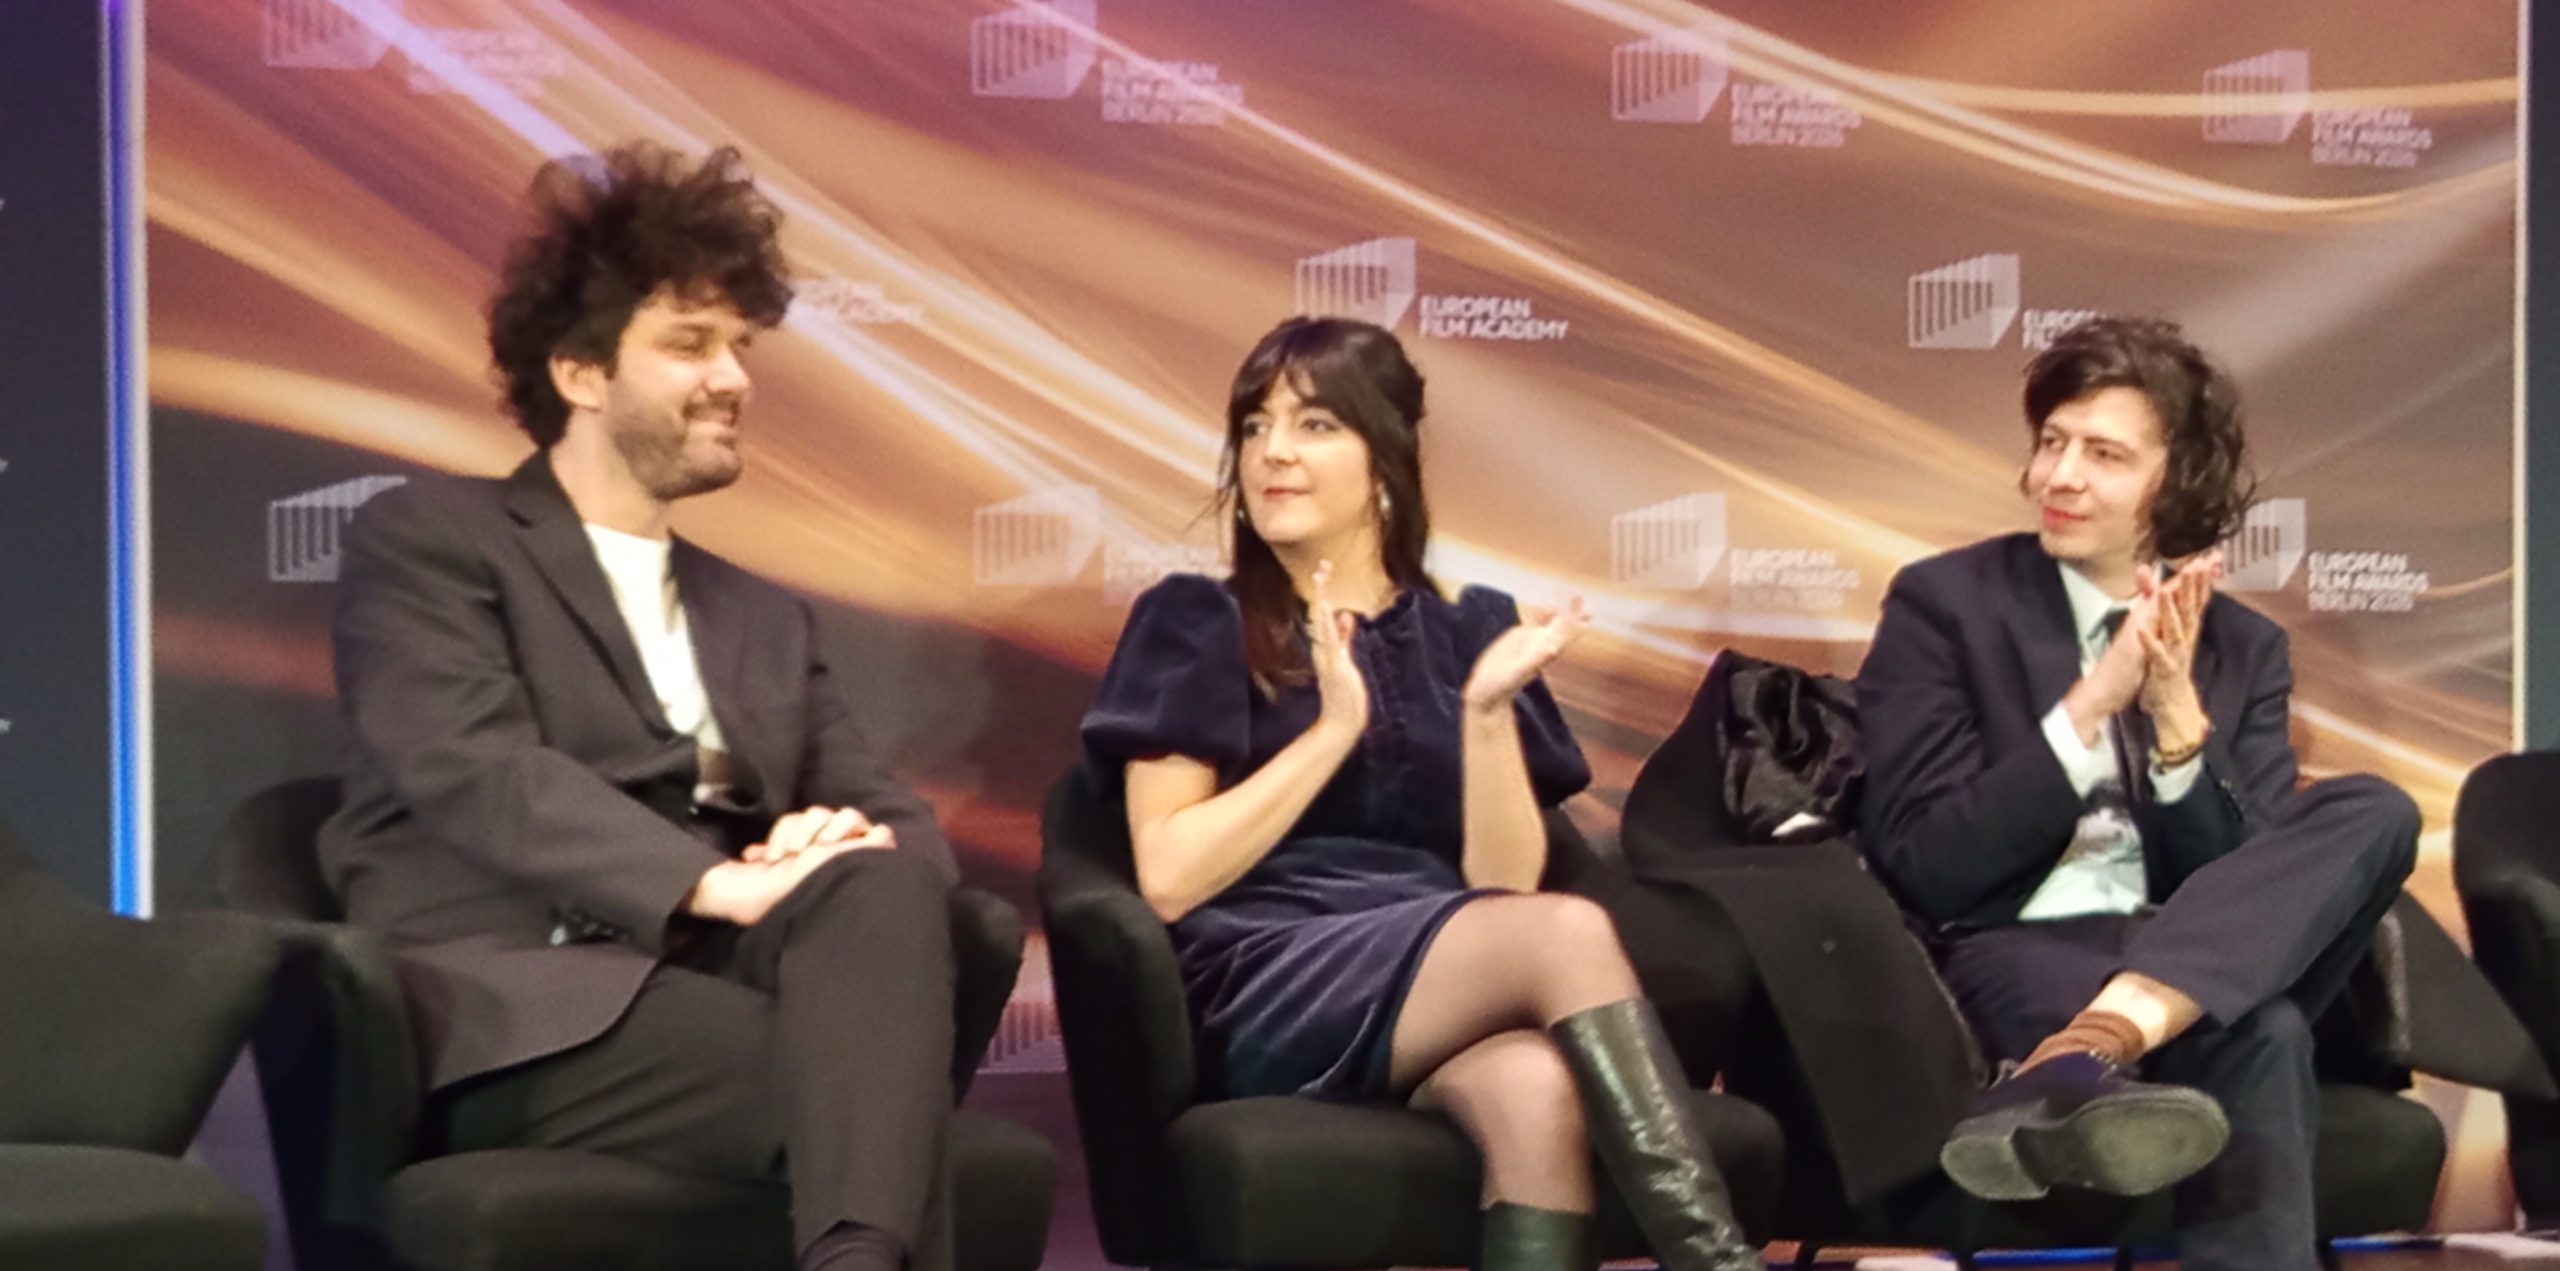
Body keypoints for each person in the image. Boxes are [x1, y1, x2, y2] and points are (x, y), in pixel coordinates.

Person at [319, 142, 969, 1271]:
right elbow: (477, 766)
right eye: (690, 343)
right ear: (581, 370)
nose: (734, 376)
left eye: (740, 345)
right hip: (525, 1006)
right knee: (883, 1102)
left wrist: (842, 840)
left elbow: (904, 825)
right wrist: (718, 881)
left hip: (720, 985)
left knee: (883, 893)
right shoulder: (430, 541)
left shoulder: (763, 617)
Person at [1080, 315, 1759, 1271]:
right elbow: (1170, 874)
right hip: (1271, 974)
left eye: (1315, 425)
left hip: (1442, 972)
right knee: (1567, 932)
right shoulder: (1197, 619)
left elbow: (1502, 888)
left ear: (1386, 462)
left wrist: (1486, 713)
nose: (1274, 451)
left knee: (1537, 1089)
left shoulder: (1469, 630)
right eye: (1255, 425)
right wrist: (1330, 734)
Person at [1855, 315, 2418, 1270]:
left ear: (2177, 478)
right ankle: (2107, 1033)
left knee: (2377, 808)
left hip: (2184, 940)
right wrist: (2090, 706)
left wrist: (2177, 725)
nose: (2060, 476)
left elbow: (2252, 891)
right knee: (2264, 1027)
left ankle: (2097, 1041)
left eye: (2104, 454)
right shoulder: (1948, 606)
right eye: (2052, 442)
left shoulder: (2243, 647)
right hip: (2019, 943)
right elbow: (1929, 863)